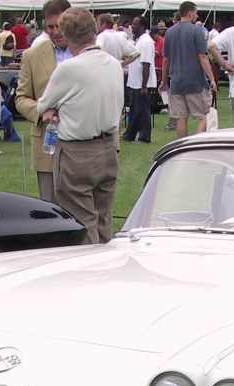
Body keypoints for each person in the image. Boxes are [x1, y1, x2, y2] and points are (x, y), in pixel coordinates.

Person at [37, 8, 123, 244]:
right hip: (107, 148)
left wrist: (54, 108)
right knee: (103, 220)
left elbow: (43, 104)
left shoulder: (68, 68)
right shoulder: (114, 64)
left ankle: (92, 274)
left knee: (83, 223)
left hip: (77, 153)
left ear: (66, 35)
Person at [16, 0, 72, 203]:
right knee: (51, 208)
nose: (56, 32)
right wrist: (41, 111)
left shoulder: (89, 53)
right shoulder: (32, 56)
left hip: (83, 143)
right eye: (50, 27)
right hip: (48, 143)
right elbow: (21, 98)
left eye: (60, 25)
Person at [159, 1, 218, 138]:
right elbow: (202, 57)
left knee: (181, 118)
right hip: (195, 81)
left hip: (176, 82)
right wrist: (212, 78)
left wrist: (163, 81)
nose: (197, 16)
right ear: (190, 13)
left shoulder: (169, 32)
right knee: (203, 115)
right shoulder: (196, 30)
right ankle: (197, 143)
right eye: (196, 13)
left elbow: (165, 60)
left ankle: (182, 147)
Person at [123, 16, 155, 143]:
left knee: (143, 111)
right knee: (134, 110)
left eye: (135, 24)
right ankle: (130, 135)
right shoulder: (139, 40)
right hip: (135, 82)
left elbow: (146, 64)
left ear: (142, 26)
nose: (132, 26)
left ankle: (144, 136)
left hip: (142, 83)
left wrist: (144, 86)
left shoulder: (146, 41)